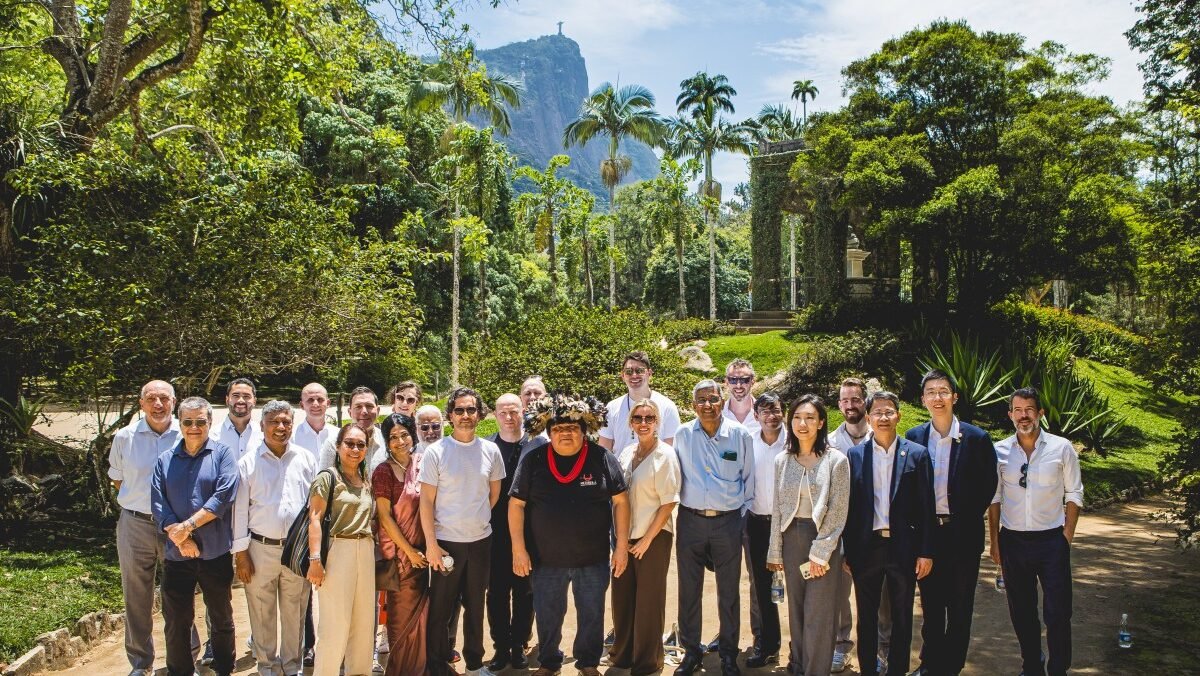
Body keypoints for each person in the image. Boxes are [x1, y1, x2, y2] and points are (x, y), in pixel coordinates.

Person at [510, 394, 631, 676]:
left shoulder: (601, 457)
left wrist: (622, 545)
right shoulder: (534, 459)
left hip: (593, 557)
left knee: (592, 614)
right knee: (548, 614)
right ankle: (549, 662)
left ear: (584, 430)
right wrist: (519, 548)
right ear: (549, 432)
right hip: (545, 558)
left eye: (572, 428)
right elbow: (516, 504)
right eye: (558, 428)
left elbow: (621, 501)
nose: (565, 432)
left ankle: (588, 663)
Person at [905, 370, 998, 676]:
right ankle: (929, 664)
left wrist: (963, 516)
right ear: (923, 400)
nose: (937, 397)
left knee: (959, 608)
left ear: (954, 397)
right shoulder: (915, 438)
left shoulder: (977, 438)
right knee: (931, 607)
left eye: (943, 391)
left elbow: (988, 486)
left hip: (963, 535)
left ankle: (951, 666)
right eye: (931, 392)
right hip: (928, 537)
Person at [988, 387, 1082, 676]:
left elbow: (1074, 493)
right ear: (1010, 415)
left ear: (1040, 412)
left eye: (1029, 409)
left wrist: (1066, 537)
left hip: (1051, 540)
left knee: (1057, 612)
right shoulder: (999, 450)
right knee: (1022, 611)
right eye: (1017, 410)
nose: (1023, 415)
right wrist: (994, 542)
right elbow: (994, 499)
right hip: (1013, 541)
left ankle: (1058, 669)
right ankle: (1031, 665)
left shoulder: (1061, 447)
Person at [842, 391, 935, 676]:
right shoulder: (855, 455)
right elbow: (850, 507)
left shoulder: (917, 454)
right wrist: (848, 550)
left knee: (902, 617)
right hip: (866, 549)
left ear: (899, 416)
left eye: (889, 411)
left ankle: (897, 670)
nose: (884, 417)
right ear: (868, 418)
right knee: (866, 617)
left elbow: (926, 507)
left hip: (903, 548)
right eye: (878, 412)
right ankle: (869, 669)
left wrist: (925, 551)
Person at [419, 387, 505, 676]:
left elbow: (493, 495)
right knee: (441, 610)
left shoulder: (491, 451)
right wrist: (431, 545)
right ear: (450, 416)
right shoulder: (436, 452)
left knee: (475, 608)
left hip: (480, 542)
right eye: (459, 410)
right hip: (445, 544)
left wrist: (474, 519)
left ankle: (475, 665)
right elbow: (426, 503)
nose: (466, 415)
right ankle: (437, 665)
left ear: (480, 414)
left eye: (471, 410)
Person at [151, 396, 239, 676]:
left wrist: (186, 527)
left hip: (215, 553)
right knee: (177, 621)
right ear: (180, 423)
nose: (194, 427)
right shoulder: (165, 460)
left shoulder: (223, 455)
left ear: (209, 423)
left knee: (221, 618)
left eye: (200, 422)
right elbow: (158, 504)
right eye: (188, 422)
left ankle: (224, 669)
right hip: (177, 556)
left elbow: (223, 497)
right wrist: (181, 538)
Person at [110, 380, 193, 676]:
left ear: (174, 402)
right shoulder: (125, 437)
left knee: (181, 591)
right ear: (141, 403)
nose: (158, 404)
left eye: (164, 399)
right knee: (136, 594)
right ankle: (140, 662)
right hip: (136, 523)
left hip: (177, 526)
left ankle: (186, 658)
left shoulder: (187, 433)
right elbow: (119, 480)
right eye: (151, 399)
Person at [672, 379, 755, 676]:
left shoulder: (740, 435)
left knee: (729, 592)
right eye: (701, 400)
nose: (707, 405)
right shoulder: (682, 434)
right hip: (691, 521)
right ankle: (691, 652)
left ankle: (729, 656)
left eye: (713, 399)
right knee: (688, 590)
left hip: (728, 523)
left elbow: (749, 481)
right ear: (694, 405)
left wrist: (737, 517)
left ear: (722, 401)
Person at [767, 394, 850, 676]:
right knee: (797, 609)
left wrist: (820, 552)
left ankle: (816, 670)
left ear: (821, 422)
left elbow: (838, 512)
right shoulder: (782, 460)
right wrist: (775, 551)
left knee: (820, 613)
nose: (803, 423)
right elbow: (777, 509)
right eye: (797, 417)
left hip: (823, 541)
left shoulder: (836, 460)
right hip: (791, 540)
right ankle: (799, 666)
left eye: (810, 418)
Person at [232, 400, 316, 676]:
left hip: (296, 550)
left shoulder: (305, 459)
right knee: (261, 610)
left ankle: (292, 667)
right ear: (262, 426)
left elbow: (315, 508)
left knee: (295, 611)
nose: (281, 427)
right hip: (259, 548)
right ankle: (266, 666)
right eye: (274, 422)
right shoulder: (247, 463)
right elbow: (239, 511)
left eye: (286, 422)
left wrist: (314, 552)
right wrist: (241, 554)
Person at [610, 398, 681, 676]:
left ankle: (647, 662)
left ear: (657, 422)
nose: (643, 423)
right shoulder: (627, 452)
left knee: (648, 602)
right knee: (622, 598)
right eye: (638, 418)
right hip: (624, 538)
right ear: (630, 422)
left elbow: (668, 502)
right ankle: (623, 655)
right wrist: (621, 542)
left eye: (649, 418)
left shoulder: (665, 455)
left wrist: (646, 540)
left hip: (653, 538)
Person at [828, 377, 889, 673]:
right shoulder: (829, 442)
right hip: (840, 530)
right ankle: (841, 646)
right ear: (839, 404)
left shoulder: (882, 436)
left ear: (865, 401)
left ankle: (883, 650)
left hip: (876, 529)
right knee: (840, 593)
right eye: (845, 400)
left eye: (855, 399)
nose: (850, 405)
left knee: (881, 596)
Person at [307, 424, 377, 676]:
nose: (355, 449)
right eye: (349, 443)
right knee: (334, 625)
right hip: (338, 550)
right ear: (338, 447)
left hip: (366, 549)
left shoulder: (366, 479)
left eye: (360, 444)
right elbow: (315, 518)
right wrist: (315, 559)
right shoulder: (327, 477)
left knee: (363, 622)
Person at [485, 394, 540, 671]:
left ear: (523, 412)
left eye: (514, 411)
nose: (509, 417)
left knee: (524, 592)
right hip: (493, 534)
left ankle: (518, 645)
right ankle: (500, 647)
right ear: (495, 414)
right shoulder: (486, 447)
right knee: (495, 593)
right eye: (503, 412)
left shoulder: (537, 445)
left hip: (529, 534)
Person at [373, 413, 430, 676]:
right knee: (400, 618)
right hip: (400, 558)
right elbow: (384, 517)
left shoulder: (424, 463)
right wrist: (410, 552)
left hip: (427, 554)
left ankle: (422, 668)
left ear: (413, 435)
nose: (400, 441)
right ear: (386, 441)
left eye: (404, 434)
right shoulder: (383, 471)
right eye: (393, 437)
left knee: (425, 617)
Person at [743, 392, 786, 668]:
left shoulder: (794, 440)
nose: (771, 416)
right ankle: (768, 644)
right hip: (757, 523)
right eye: (765, 411)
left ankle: (805, 646)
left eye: (776, 410)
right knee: (762, 587)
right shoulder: (747, 442)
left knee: (800, 586)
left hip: (790, 524)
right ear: (756, 416)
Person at [598, 351, 682, 451]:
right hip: (620, 466)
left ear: (649, 373)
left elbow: (672, 450)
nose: (634, 375)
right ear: (623, 375)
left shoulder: (668, 406)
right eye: (629, 371)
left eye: (640, 371)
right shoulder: (611, 408)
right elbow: (604, 450)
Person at [319, 386, 387, 473]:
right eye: (358, 407)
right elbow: (324, 482)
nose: (364, 412)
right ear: (349, 412)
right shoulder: (333, 443)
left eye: (369, 406)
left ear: (377, 411)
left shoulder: (387, 440)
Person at [213, 377, 261, 458]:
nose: (240, 400)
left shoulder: (264, 434)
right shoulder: (212, 435)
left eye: (246, 396)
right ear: (227, 399)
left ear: (254, 401)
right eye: (235, 396)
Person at [292, 382, 333, 459]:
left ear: (328, 403)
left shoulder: (338, 434)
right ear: (302, 405)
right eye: (310, 400)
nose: (315, 404)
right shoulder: (291, 437)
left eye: (320, 399)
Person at [722, 358, 761, 439]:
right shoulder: (718, 415)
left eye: (744, 380)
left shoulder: (765, 414)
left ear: (753, 381)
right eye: (733, 380)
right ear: (726, 382)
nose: (738, 385)